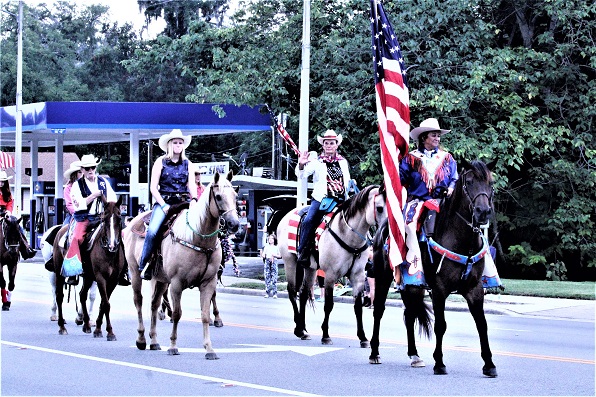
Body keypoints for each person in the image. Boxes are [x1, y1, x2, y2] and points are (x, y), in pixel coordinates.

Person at [398, 118, 458, 286]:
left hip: (443, 200)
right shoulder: (411, 158)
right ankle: (412, 269)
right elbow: (401, 179)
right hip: (418, 201)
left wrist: (451, 188)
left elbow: (454, 178)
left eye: (438, 135)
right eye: (434, 135)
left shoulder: (447, 158)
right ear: (424, 138)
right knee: (409, 225)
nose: (437, 139)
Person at [138, 129, 197, 280]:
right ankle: (145, 264)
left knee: (199, 226)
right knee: (152, 231)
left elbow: (191, 185)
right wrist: (163, 205)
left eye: (180, 142)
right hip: (164, 202)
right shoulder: (160, 162)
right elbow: (153, 188)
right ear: (170, 145)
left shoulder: (188, 164)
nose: (178, 145)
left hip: (183, 202)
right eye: (175, 142)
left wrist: (195, 199)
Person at [295, 130, 351, 268]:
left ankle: (363, 251)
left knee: (358, 216)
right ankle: (303, 251)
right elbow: (301, 175)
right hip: (322, 199)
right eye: (326, 143)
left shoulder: (343, 162)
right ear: (323, 145)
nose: (329, 146)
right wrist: (301, 164)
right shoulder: (317, 162)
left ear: (336, 145)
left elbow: (347, 181)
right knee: (309, 220)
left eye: (332, 143)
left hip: (340, 199)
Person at [62, 155, 118, 280]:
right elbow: (78, 205)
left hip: (102, 217)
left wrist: (108, 203)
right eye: (87, 168)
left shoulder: (103, 182)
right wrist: (93, 196)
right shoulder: (77, 185)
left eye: (93, 167)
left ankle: (122, 268)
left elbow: (112, 198)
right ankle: (74, 269)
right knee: (76, 238)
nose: (91, 170)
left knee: (120, 234)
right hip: (85, 218)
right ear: (82, 170)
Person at [44, 160, 83, 271]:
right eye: (80, 172)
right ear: (74, 174)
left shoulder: (88, 186)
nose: (82, 174)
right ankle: (56, 257)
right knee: (64, 234)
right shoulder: (68, 188)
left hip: (89, 216)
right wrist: (78, 213)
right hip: (73, 216)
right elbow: (69, 205)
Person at [0, 171, 37, 260]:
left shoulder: (7, 192)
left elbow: (10, 203)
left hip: (5, 213)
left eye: (3, 181)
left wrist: (8, 212)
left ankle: (26, 248)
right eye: (0, 181)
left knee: (17, 226)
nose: (1, 183)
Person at [261, 234, 281, 298]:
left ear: (274, 239)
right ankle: (267, 292)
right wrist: (262, 255)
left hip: (274, 262)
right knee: (267, 277)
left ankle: (275, 293)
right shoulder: (266, 246)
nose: (270, 240)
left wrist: (274, 255)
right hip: (267, 261)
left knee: (274, 278)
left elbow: (280, 256)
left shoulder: (276, 247)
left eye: (272, 238)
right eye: (269, 238)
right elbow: (264, 254)